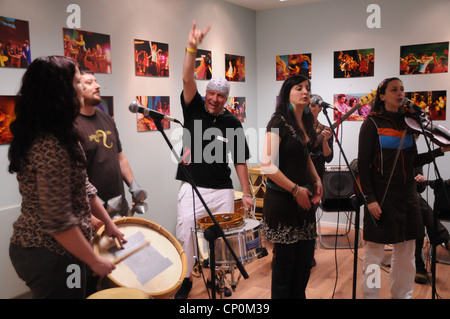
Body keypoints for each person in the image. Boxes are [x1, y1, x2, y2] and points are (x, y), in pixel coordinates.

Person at [8, 56, 126, 299]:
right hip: (48, 253)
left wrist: (109, 224)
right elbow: (58, 220)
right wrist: (95, 261)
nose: (81, 88)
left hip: (61, 251)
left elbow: (84, 186)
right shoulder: (50, 144)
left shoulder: (62, 134)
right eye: (76, 82)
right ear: (59, 91)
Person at [175, 21, 253, 299]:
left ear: (225, 99)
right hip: (192, 186)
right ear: (205, 93)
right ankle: (184, 280)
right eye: (211, 93)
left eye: (220, 96)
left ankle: (220, 279)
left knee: (221, 241)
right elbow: (186, 78)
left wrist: (245, 192)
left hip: (221, 189)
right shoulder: (193, 107)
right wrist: (192, 45)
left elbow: (240, 159)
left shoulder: (232, 122)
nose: (214, 99)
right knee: (186, 232)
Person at [357, 77, 450, 299]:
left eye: (402, 89)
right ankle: (370, 296)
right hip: (381, 196)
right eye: (394, 90)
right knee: (373, 255)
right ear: (382, 96)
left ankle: (402, 295)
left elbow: (413, 160)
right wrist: (370, 198)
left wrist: (440, 151)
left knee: (407, 253)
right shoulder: (371, 124)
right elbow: (362, 165)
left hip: (407, 196)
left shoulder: (408, 124)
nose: (400, 93)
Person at [261, 74, 323, 299]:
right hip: (282, 204)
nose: (305, 92)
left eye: (307, 88)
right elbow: (267, 165)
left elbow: (304, 156)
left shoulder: (305, 121)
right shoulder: (278, 122)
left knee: (304, 265)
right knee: (284, 269)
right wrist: (295, 190)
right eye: (299, 88)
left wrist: (316, 179)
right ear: (287, 93)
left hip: (303, 203)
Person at [74, 67, 147, 224]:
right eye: (89, 82)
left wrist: (134, 187)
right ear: (76, 89)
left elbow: (120, 158)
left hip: (120, 205)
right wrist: (98, 215)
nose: (97, 86)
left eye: (96, 81)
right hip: (94, 213)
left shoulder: (106, 119)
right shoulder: (71, 126)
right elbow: (75, 179)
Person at [414, 169, 450, 284]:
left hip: (412, 204)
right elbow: (356, 164)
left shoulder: (416, 158)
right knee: (417, 202)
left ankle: (419, 267)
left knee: (418, 214)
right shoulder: (386, 154)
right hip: (391, 200)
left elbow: (420, 189)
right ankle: (444, 237)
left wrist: (420, 181)